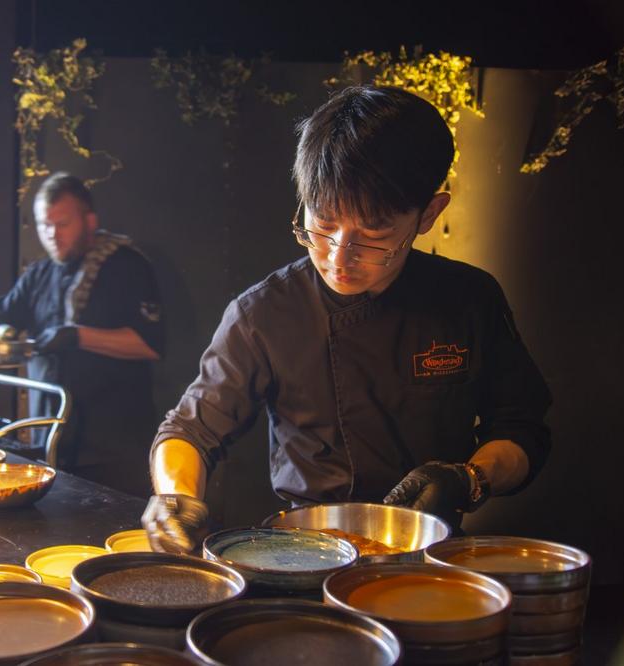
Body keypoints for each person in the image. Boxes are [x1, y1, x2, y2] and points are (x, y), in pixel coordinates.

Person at [142, 85, 552, 553]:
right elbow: (191, 429)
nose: (339, 255)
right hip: (301, 553)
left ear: (430, 213)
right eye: (323, 222)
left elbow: (521, 428)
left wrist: (469, 477)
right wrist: (173, 497)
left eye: (373, 233)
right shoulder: (265, 312)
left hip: (433, 550)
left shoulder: (470, 298)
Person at [0, 173, 164, 497]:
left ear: (89, 221)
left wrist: (76, 337)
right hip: (50, 443)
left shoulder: (127, 267)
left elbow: (149, 344)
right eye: (44, 226)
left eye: (62, 225)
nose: (52, 236)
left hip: (111, 450)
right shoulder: (39, 274)